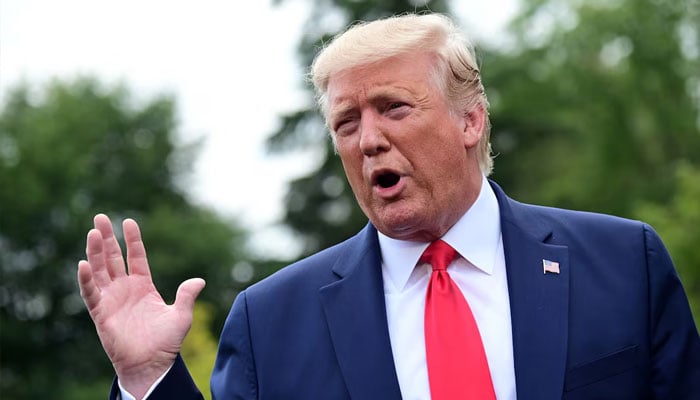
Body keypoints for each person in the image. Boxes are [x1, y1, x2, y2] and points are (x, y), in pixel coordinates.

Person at [78, 13, 700, 400]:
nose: (368, 138)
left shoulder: (624, 264)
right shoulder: (269, 323)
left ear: (471, 120)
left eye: (394, 108)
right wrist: (146, 382)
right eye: (346, 122)